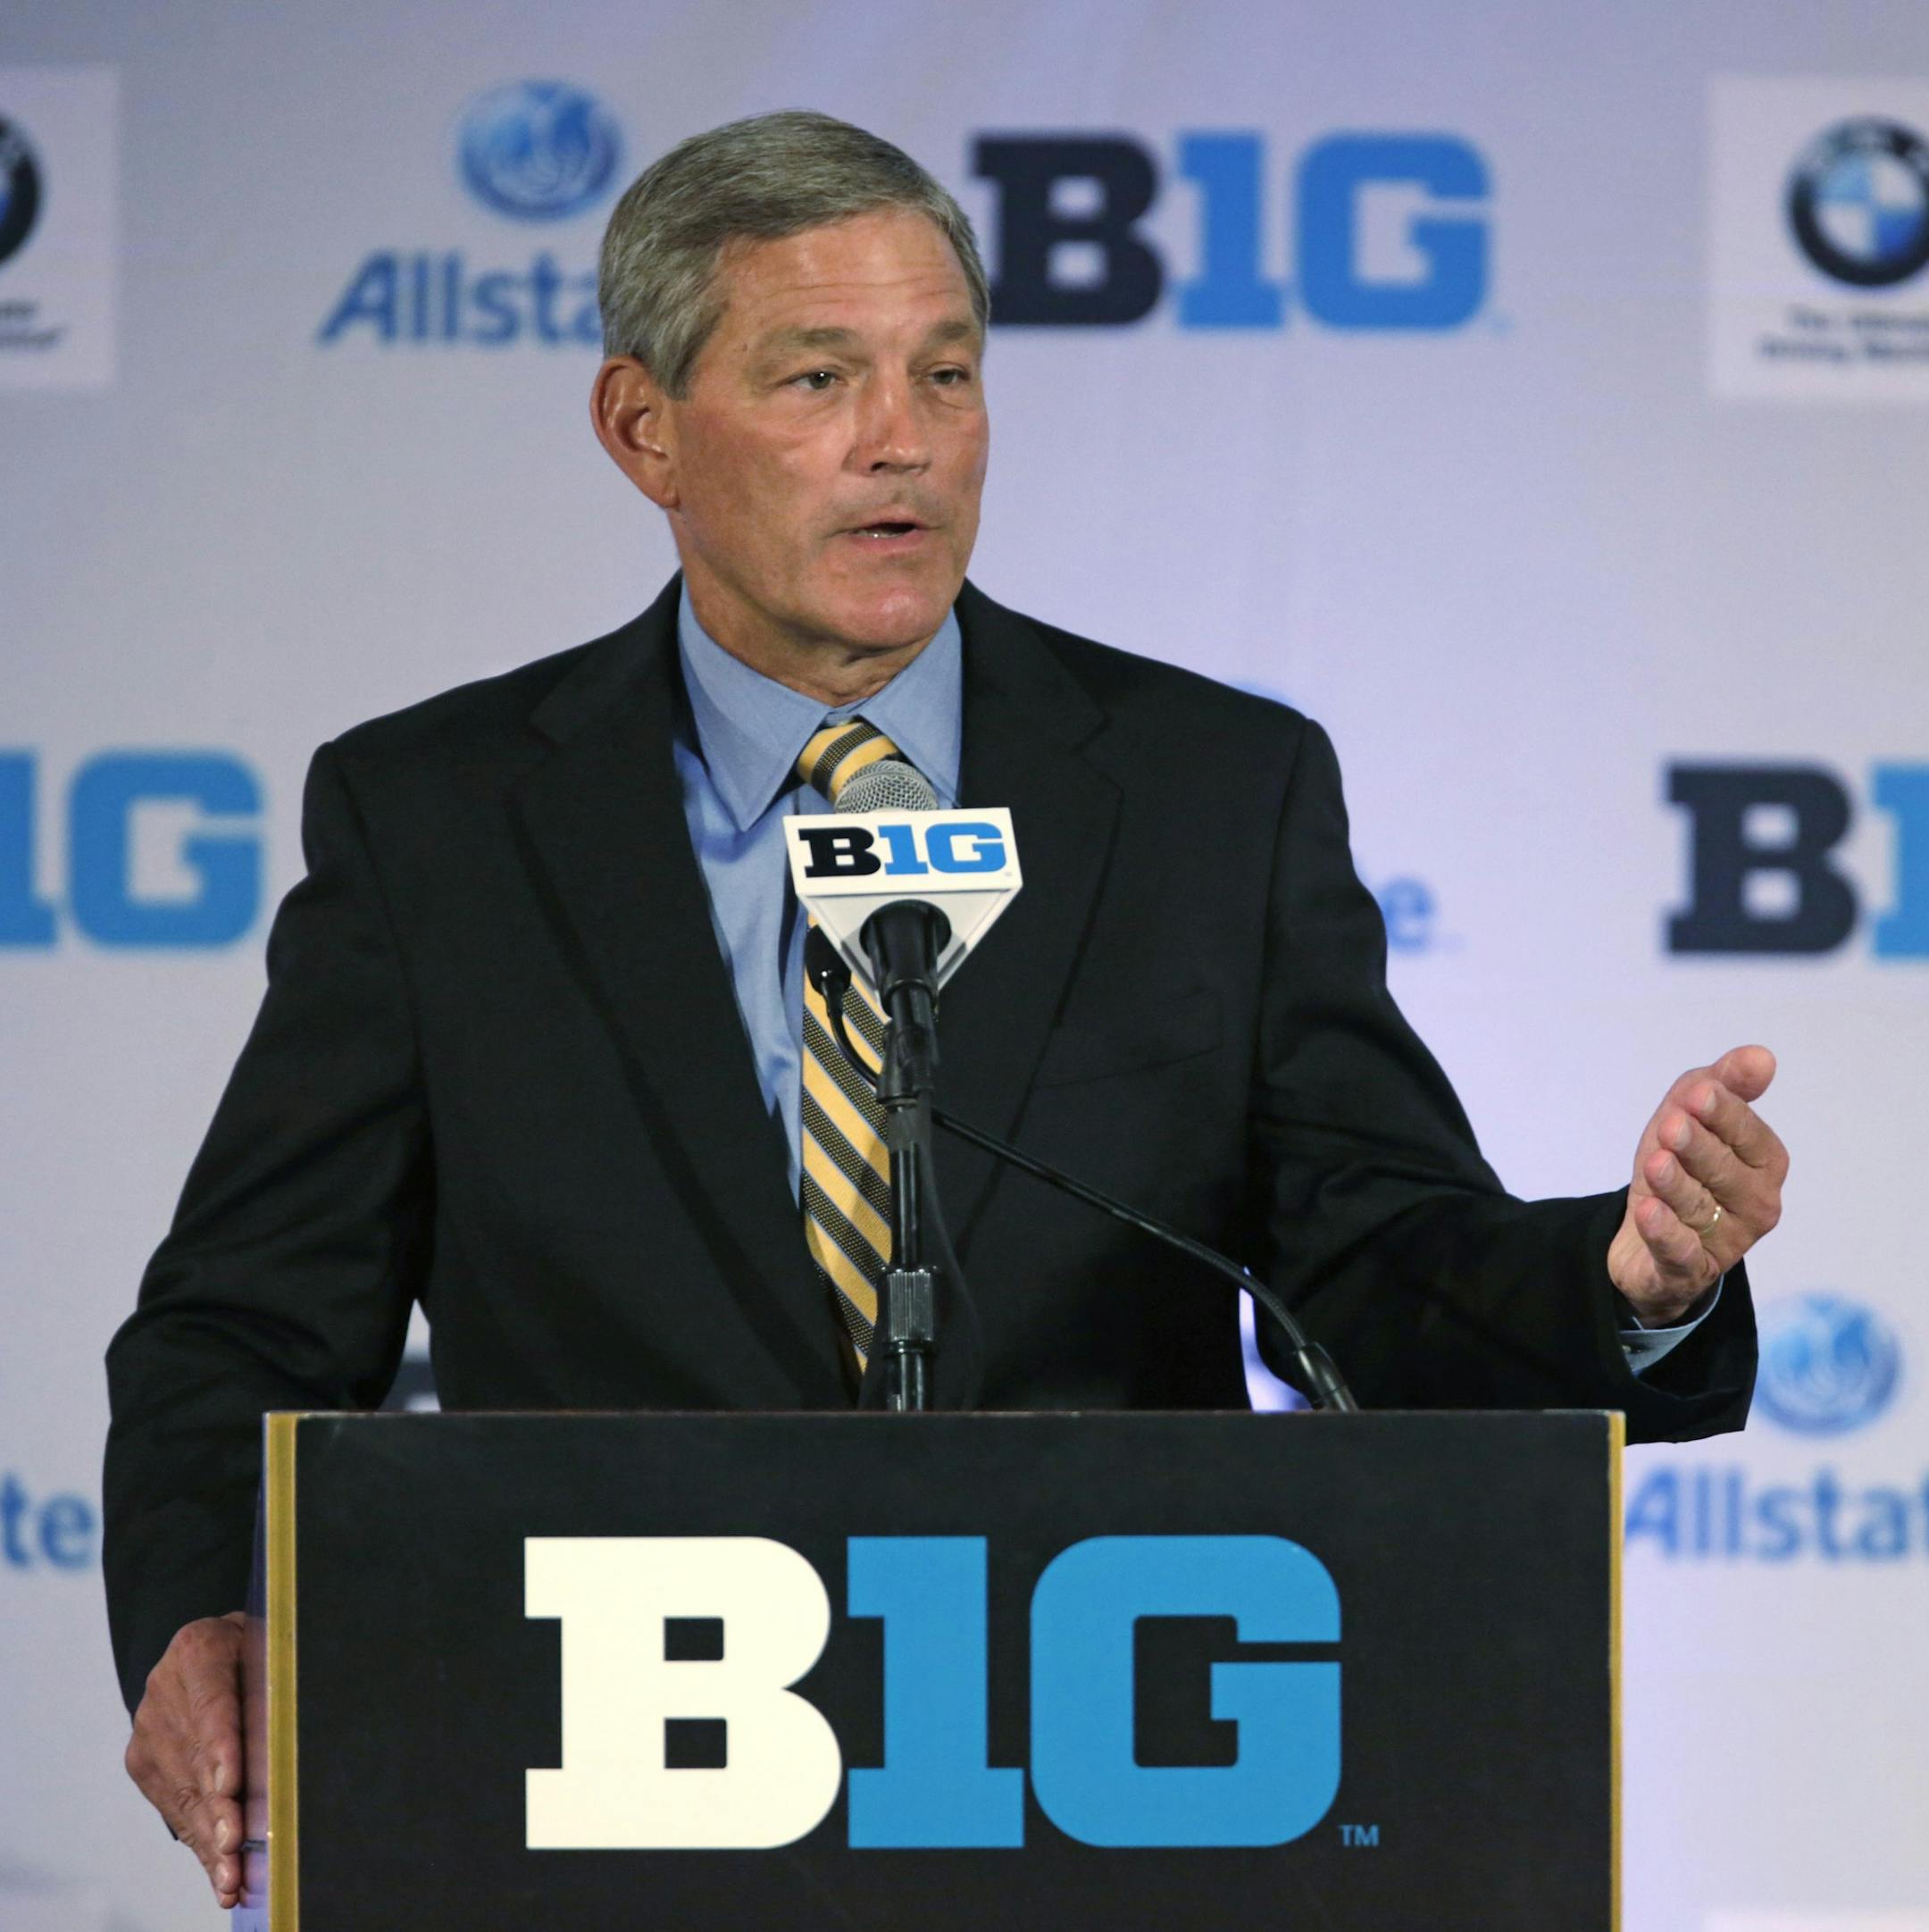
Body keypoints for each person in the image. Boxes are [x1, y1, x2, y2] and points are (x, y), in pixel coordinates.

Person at [104, 110, 1785, 1907]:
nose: (901, 440)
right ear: (642, 429)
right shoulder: (440, 821)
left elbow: (1362, 1271)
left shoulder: (1210, 790)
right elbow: (248, 1319)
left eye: (947, 373)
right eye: (817, 377)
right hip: (605, 1789)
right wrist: (209, 1597)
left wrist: (1626, 1285)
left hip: (1100, 1803)